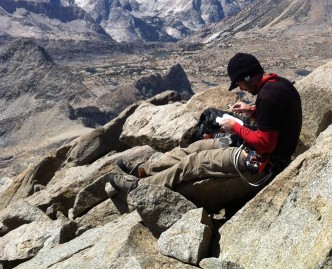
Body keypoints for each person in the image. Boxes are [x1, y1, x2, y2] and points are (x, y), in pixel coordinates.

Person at [106, 53, 302, 195]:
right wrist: (253, 111)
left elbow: (265, 144)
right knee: (198, 146)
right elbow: (276, 117)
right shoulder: (278, 84)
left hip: (263, 161)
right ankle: (144, 170)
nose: (240, 88)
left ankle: (139, 188)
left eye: (239, 83)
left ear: (247, 77)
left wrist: (235, 127)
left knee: (195, 163)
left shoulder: (267, 96)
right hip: (258, 149)